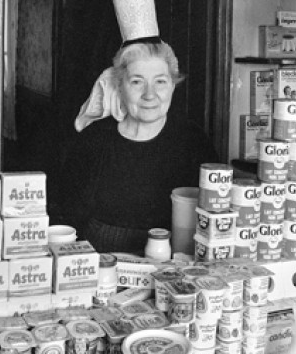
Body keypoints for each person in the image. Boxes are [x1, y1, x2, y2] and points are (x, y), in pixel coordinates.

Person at [56, 39, 217, 254]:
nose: (149, 94)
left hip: (173, 269)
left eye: (160, 81)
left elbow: (214, 219)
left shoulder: (194, 142)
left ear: (173, 85)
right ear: (120, 87)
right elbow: (67, 217)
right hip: (98, 264)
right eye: (137, 82)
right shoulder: (93, 140)